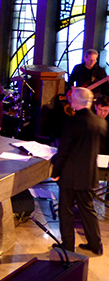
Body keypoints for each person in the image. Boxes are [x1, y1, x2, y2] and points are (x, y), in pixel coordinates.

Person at [51, 88, 105, 255]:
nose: (70, 101)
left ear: (77, 102)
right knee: (88, 210)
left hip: (70, 175)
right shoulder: (100, 122)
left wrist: (55, 172)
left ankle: (67, 245)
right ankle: (95, 245)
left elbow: (64, 150)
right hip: (89, 174)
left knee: (66, 211)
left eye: (72, 98)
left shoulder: (72, 122)